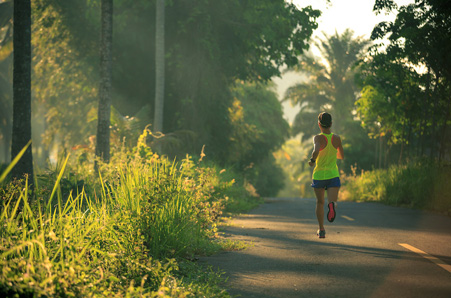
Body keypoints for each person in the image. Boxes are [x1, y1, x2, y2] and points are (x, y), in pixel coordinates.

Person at [308, 112, 344, 239]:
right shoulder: (337, 138)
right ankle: (332, 205)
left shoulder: (318, 138)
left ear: (319, 124)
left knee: (319, 202)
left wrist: (312, 161)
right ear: (331, 124)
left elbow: (316, 150)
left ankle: (321, 229)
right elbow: (341, 156)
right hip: (333, 175)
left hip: (319, 176)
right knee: (332, 201)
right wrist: (332, 154)